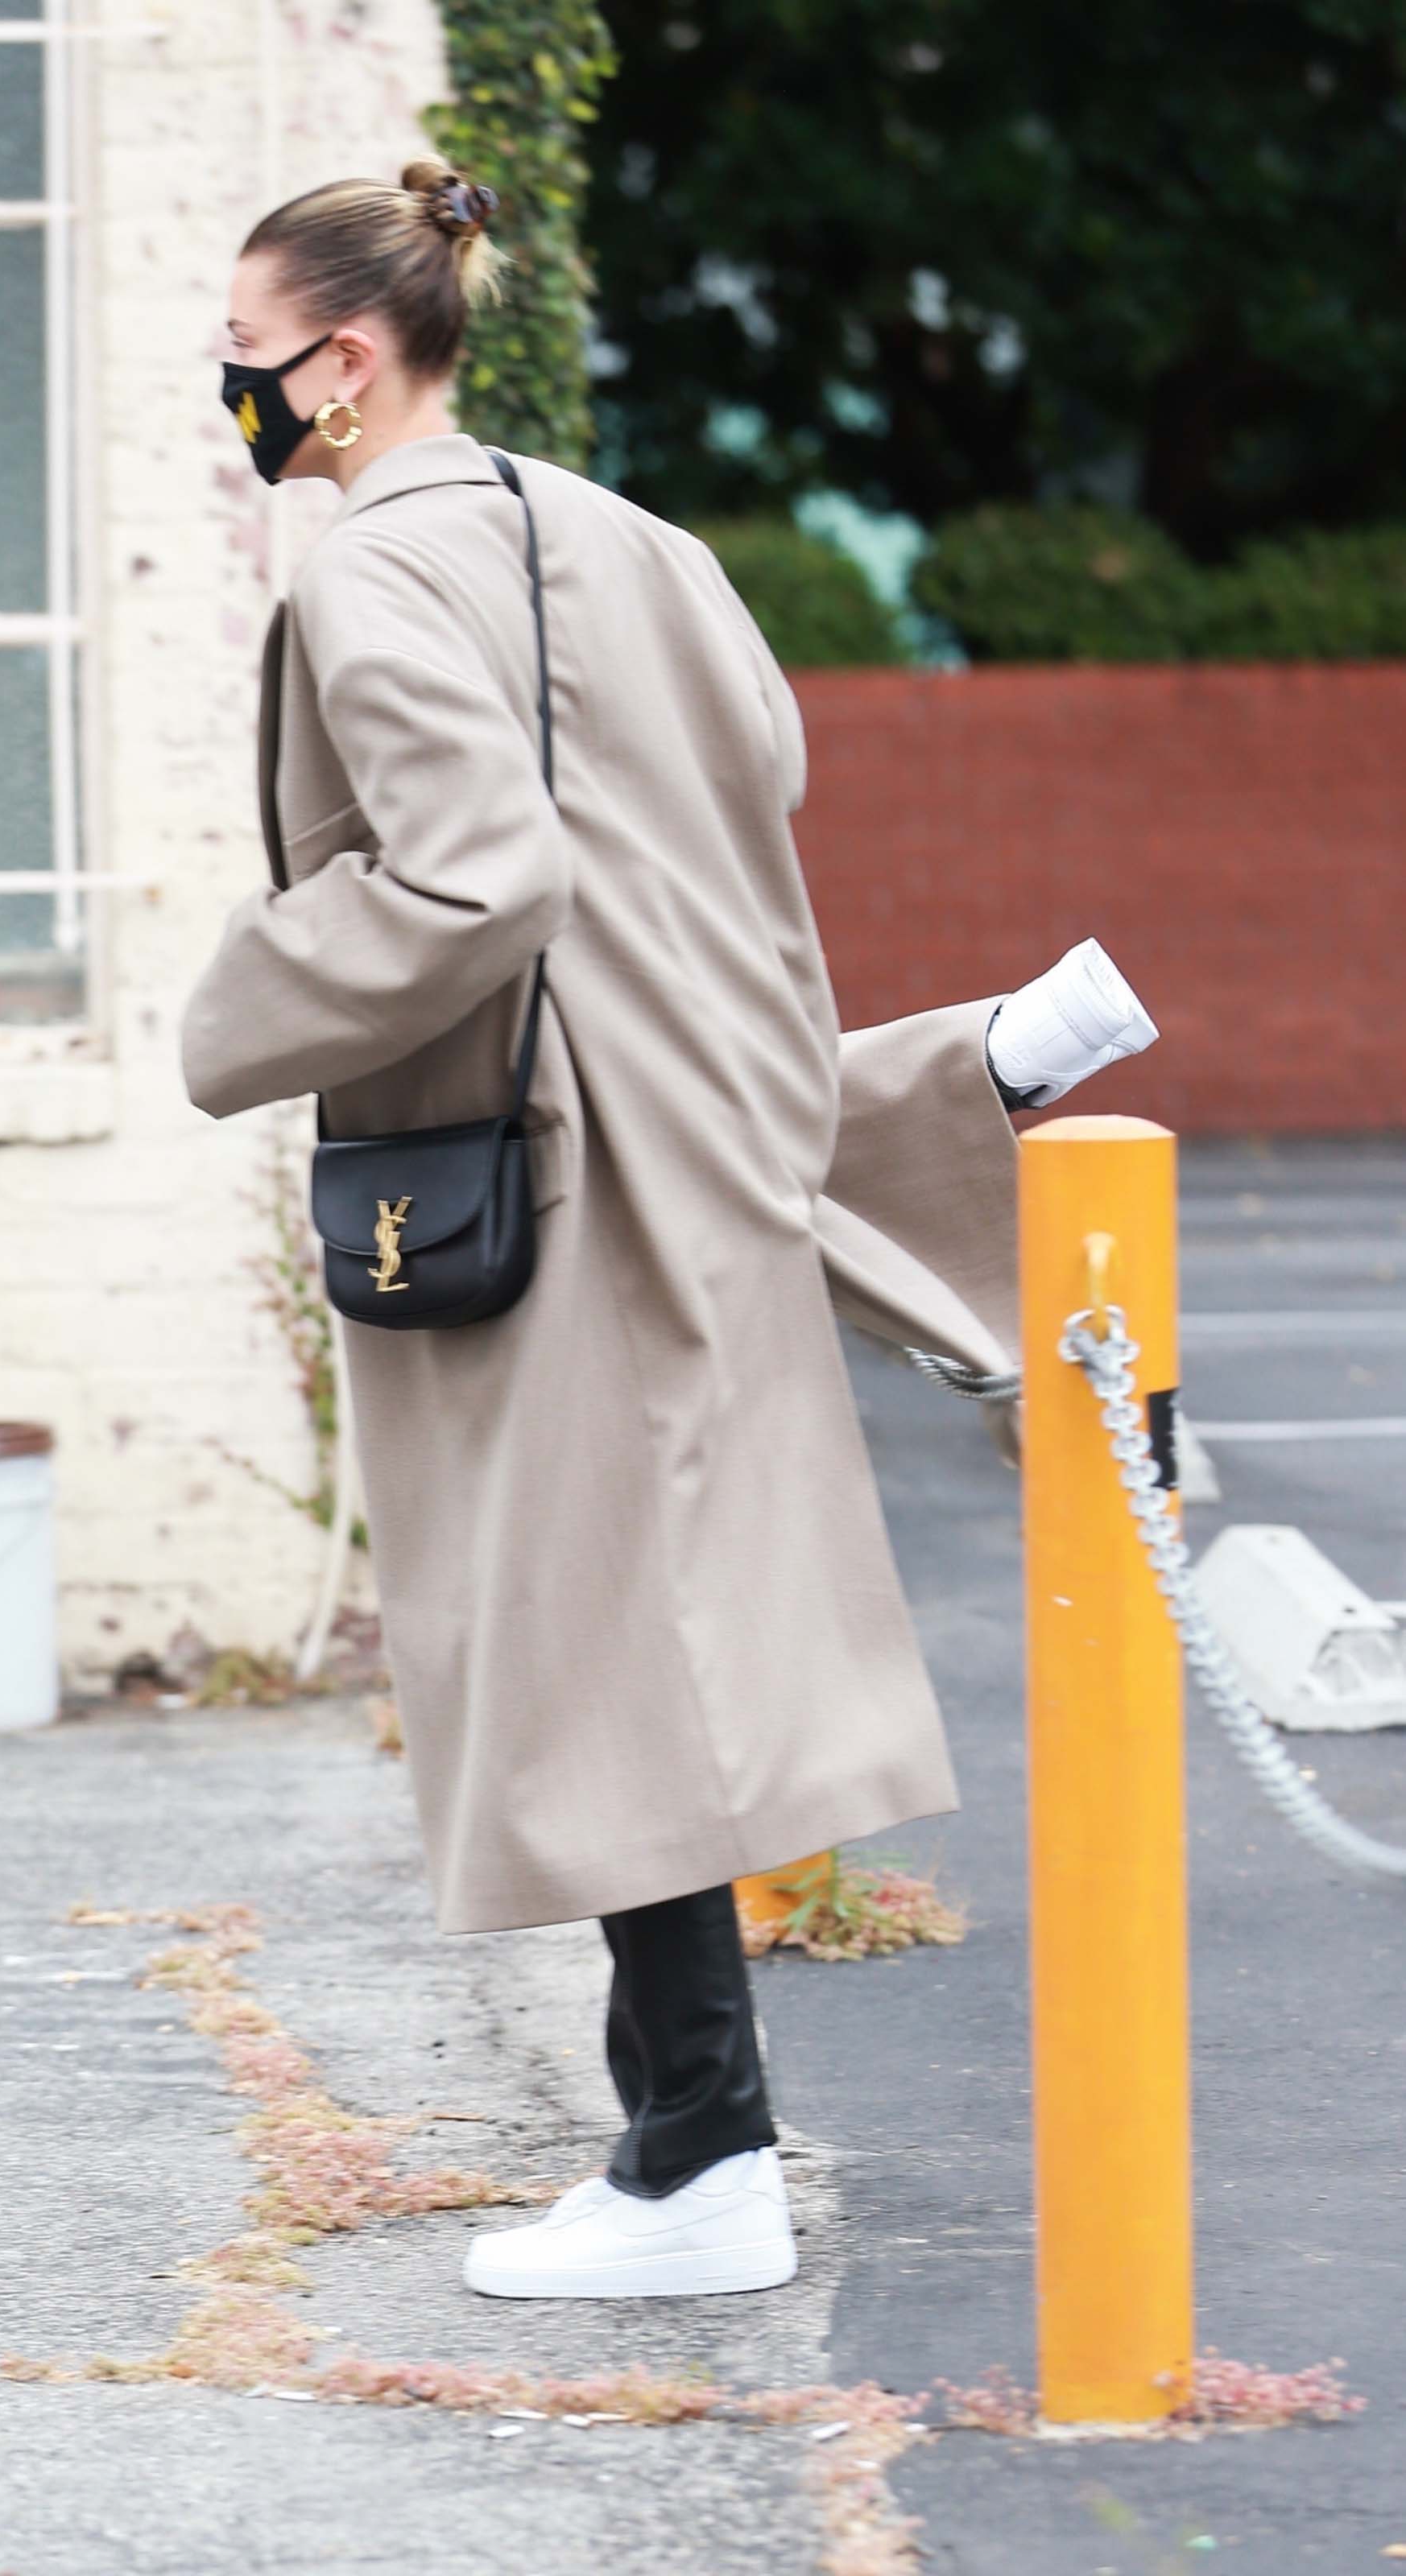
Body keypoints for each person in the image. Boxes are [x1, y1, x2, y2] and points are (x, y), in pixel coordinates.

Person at [180, 158, 1159, 2302]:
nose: (230, 392)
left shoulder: (365, 580)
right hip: (692, 1119)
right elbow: (754, 788)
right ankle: (684, 2146)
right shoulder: (637, 544)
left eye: (244, 355)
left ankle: (697, 2161)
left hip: (531, 1165)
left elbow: (475, 877)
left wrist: (239, 1009)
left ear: (346, 367)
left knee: (601, 1654)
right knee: (662, 1635)